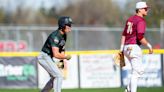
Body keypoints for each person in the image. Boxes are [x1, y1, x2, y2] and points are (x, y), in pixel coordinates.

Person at [120, 2, 153, 92]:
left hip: (127, 48)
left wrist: (121, 49)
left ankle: (128, 89)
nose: (147, 10)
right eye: (145, 9)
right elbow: (140, 37)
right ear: (139, 10)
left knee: (139, 70)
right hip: (134, 47)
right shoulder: (140, 20)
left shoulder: (130, 19)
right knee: (136, 72)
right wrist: (149, 46)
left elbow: (124, 34)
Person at [37, 16, 73, 92]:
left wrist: (62, 62)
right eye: (69, 25)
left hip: (48, 57)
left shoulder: (64, 35)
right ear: (63, 26)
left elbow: (62, 49)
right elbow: (56, 54)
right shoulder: (55, 36)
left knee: (54, 78)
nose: (70, 27)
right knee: (58, 76)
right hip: (44, 56)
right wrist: (66, 57)